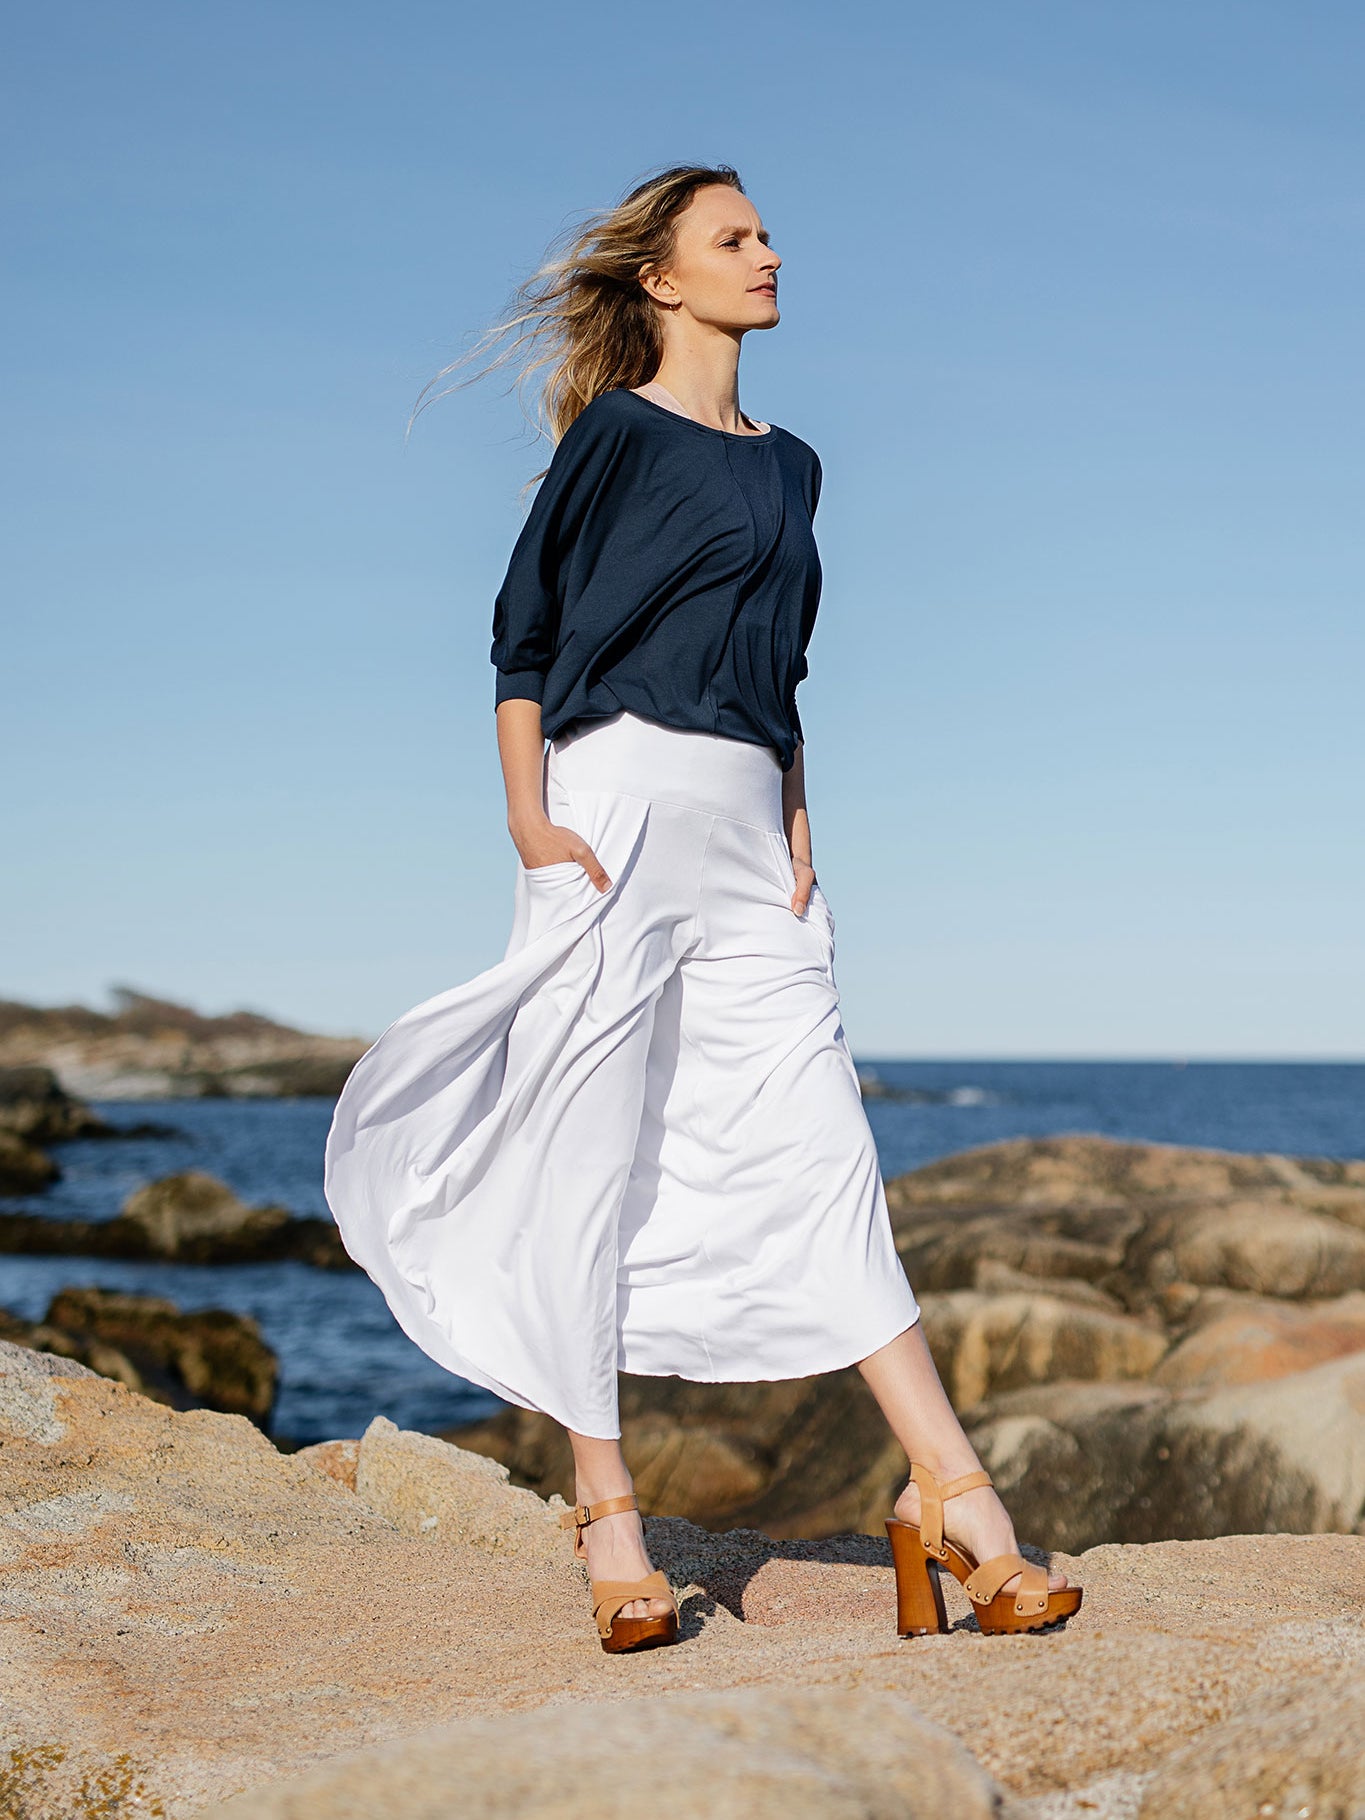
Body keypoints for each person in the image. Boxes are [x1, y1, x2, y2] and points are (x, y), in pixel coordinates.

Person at [324, 163, 1081, 1652]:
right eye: (734, 239)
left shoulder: (795, 464)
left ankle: (951, 1497)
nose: (769, 253)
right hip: (611, 814)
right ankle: (607, 1514)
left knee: (819, 1148)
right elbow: (521, 634)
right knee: (584, 1149)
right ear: (661, 279)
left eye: (766, 233)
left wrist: (800, 822)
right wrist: (528, 818)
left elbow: (782, 670)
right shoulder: (613, 433)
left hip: (754, 835)